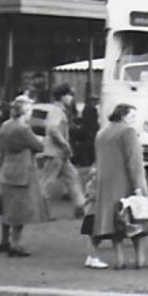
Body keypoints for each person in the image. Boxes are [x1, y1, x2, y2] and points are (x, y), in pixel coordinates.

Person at [92, 102, 148, 269]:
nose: (134, 119)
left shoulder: (102, 132)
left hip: (106, 183)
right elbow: (134, 161)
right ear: (123, 116)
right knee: (137, 219)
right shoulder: (128, 132)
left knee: (116, 222)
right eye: (132, 116)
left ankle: (120, 260)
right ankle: (140, 259)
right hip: (125, 181)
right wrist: (139, 186)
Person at [0, 95, 52, 258]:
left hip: (8, 168)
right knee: (19, 210)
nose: (30, 114)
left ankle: (4, 240)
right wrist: (40, 138)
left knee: (7, 207)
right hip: (23, 170)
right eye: (29, 111)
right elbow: (38, 146)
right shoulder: (23, 129)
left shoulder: (5, 125)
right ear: (24, 112)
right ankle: (16, 243)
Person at [40, 83, 86, 215]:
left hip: (61, 153)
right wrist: (64, 144)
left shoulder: (59, 111)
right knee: (47, 181)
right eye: (69, 95)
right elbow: (53, 129)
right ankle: (40, 209)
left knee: (72, 176)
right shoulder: (56, 111)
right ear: (62, 97)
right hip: (55, 152)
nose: (71, 99)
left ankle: (80, 206)